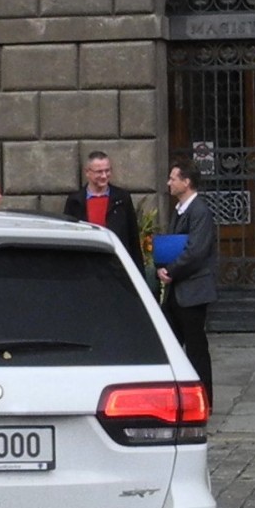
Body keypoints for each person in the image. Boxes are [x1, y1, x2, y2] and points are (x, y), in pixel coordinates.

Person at [158, 158, 218, 405]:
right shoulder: (180, 209)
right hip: (177, 291)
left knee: (195, 348)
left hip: (193, 291)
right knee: (167, 344)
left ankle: (204, 399)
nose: (169, 183)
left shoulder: (199, 211)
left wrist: (170, 271)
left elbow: (195, 251)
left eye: (173, 178)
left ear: (187, 182)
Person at [62, 151, 144, 276]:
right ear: (87, 172)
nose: (104, 175)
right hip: (85, 271)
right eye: (99, 172)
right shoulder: (75, 201)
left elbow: (133, 239)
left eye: (107, 170)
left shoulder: (122, 199)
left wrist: (138, 274)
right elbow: (67, 239)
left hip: (117, 270)